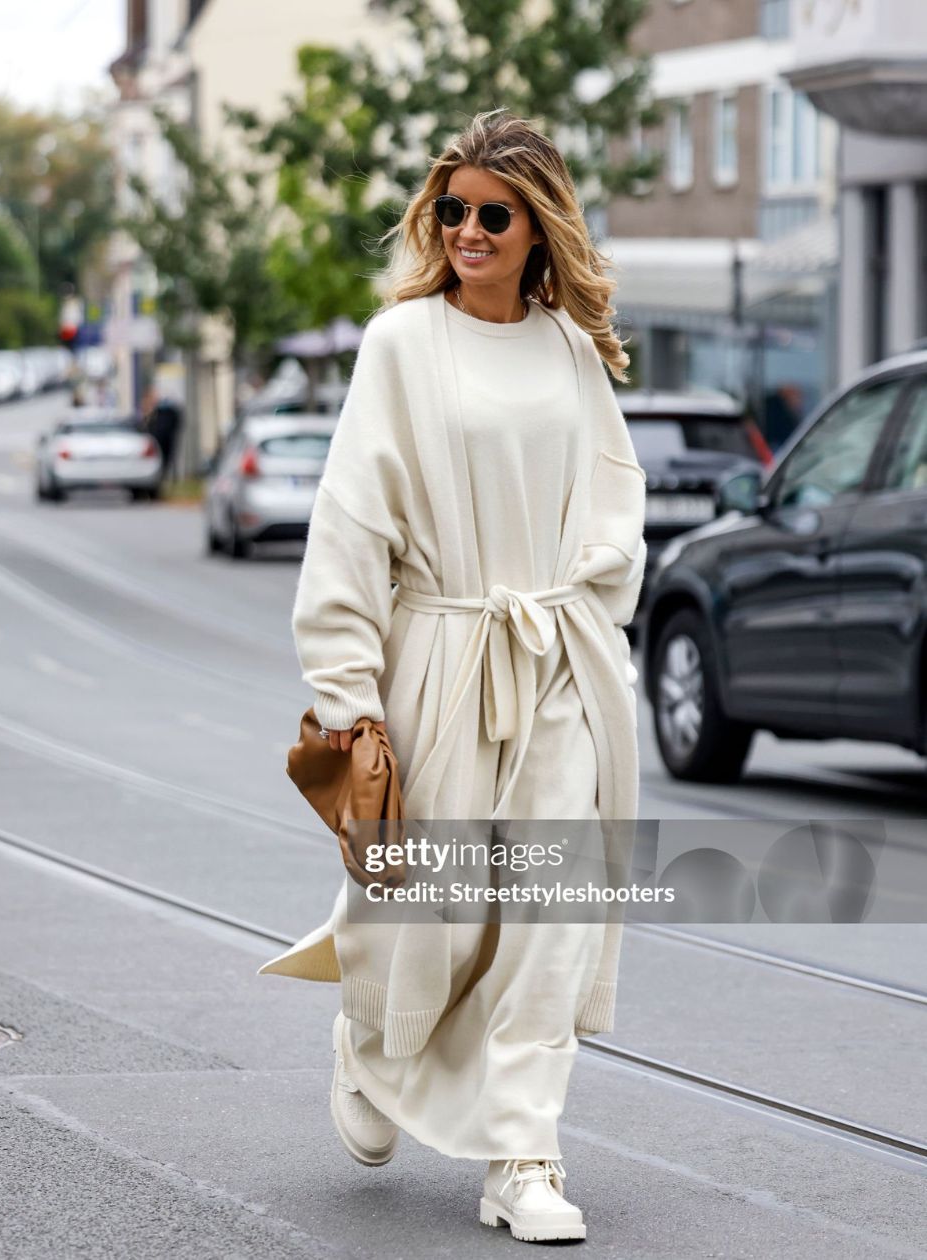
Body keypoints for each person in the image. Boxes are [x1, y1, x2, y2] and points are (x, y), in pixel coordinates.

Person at [258, 109, 646, 1244]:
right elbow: (349, 529)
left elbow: (617, 507)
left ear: (539, 229)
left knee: (547, 915)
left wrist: (589, 598)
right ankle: (370, 1042)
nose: (468, 230)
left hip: (558, 664)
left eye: (494, 213)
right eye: (453, 210)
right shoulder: (401, 345)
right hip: (437, 653)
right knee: (425, 905)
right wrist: (349, 697)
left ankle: (522, 1154)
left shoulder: (574, 355)